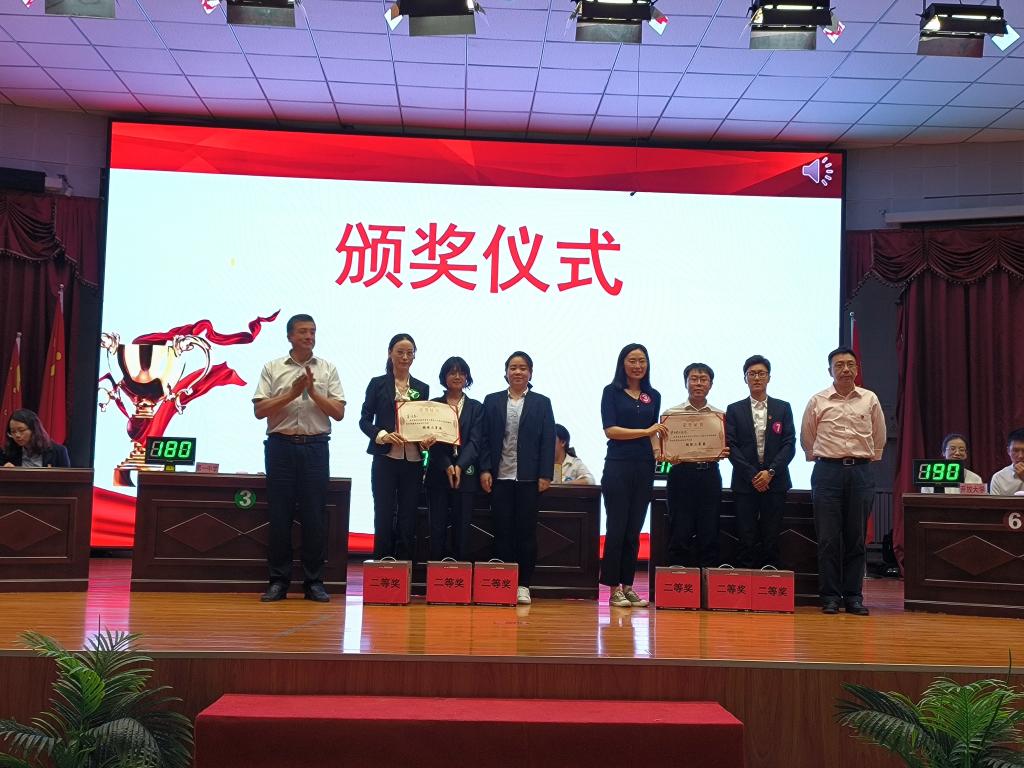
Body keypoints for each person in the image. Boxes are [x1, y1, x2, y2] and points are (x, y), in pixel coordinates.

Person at [252, 314, 345, 603]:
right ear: (290, 336)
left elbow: (338, 413)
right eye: (303, 332)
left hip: (315, 448)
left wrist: (313, 392)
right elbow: (260, 411)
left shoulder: (327, 368)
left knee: (314, 516)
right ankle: (278, 582)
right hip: (280, 447)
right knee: (279, 516)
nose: (309, 337)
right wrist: (292, 393)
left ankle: (314, 582)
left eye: (312, 332)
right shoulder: (273, 367)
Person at [800, 346, 885, 616]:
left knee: (856, 538)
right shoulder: (818, 401)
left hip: (860, 472)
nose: (845, 369)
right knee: (828, 539)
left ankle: (853, 596)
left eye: (850, 364)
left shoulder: (869, 399)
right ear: (830, 371)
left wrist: (865, 458)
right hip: (827, 472)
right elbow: (807, 438)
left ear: (857, 369)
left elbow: (879, 436)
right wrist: (822, 458)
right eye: (839, 365)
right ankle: (829, 597)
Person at [479, 351, 555, 605]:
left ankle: (523, 585)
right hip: (500, 477)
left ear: (530, 373)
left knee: (526, 533)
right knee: (502, 531)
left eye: (523, 368)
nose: (518, 372)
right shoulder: (492, 400)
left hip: (528, 479)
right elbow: (485, 439)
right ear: (506, 372)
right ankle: (504, 582)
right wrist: (485, 469)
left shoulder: (542, 402)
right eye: (513, 367)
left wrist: (545, 474)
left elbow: (547, 440)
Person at [598, 343, 667, 609]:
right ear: (622, 363)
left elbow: (655, 435)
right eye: (632, 360)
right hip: (618, 465)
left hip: (644, 466)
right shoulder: (611, 392)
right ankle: (613, 588)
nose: (638, 365)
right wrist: (646, 431)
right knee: (616, 528)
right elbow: (611, 430)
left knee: (634, 529)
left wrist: (662, 452)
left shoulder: (653, 395)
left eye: (642, 361)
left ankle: (628, 586)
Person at [359, 333, 430, 560]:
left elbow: (423, 423)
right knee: (383, 513)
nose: (405, 357)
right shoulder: (377, 384)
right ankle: (382, 566)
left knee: (408, 516)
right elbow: (364, 420)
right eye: (400, 352)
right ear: (390, 353)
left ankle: (403, 569)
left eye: (410, 353)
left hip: (413, 461)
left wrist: (425, 440)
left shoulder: (422, 388)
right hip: (385, 459)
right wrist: (382, 435)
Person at [725, 355, 796, 569]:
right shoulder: (734, 409)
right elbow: (731, 445)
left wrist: (770, 472)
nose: (757, 378)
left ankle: (769, 577)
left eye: (761, 374)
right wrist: (753, 475)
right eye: (752, 374)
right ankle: (745, 578)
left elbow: (789, 444)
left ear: (769, 378)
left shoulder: (783, 408)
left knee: (771, 535)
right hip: (745, 483)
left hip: (775, 481)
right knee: (745, 535)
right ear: (745, 378)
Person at [663, 362, 729, 568]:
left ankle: (707, 578)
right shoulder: (671, 415)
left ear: (711, 384)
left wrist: (724, 451)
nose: (698, 383)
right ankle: (678, 578)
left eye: (703, 379)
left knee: (709, 530)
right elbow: (663, 449)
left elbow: (729, 445)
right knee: (679, 530)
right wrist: (668, 455)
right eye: (693, 379)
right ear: (686, 383)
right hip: (681, 474)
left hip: (709, 475)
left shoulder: (720, 416)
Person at [425, 356, 483, 560]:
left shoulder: (476, 407)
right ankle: (435, 574)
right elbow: (431, 441)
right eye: (452, 372)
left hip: (466, 475)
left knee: (462, 529)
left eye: (461, 373)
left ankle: (460, 576)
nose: (457, 376)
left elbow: (475, 442)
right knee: (436, 528)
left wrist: (459, 466)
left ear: (467, 377)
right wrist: (447, 465)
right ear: (444, 377)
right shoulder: (433, 405)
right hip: (438, 473)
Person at [2, 409, 70, 468]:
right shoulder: (8, 452)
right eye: (13, 431)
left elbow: (66, 478)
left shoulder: (58, 452)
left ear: (34, 429)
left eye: (21, 430)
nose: (17, 435)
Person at [989, 428, 1024, 496]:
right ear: (1008, 451)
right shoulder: (999, 478)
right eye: (1015, 450)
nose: (1020, 456)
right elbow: (995, 503)